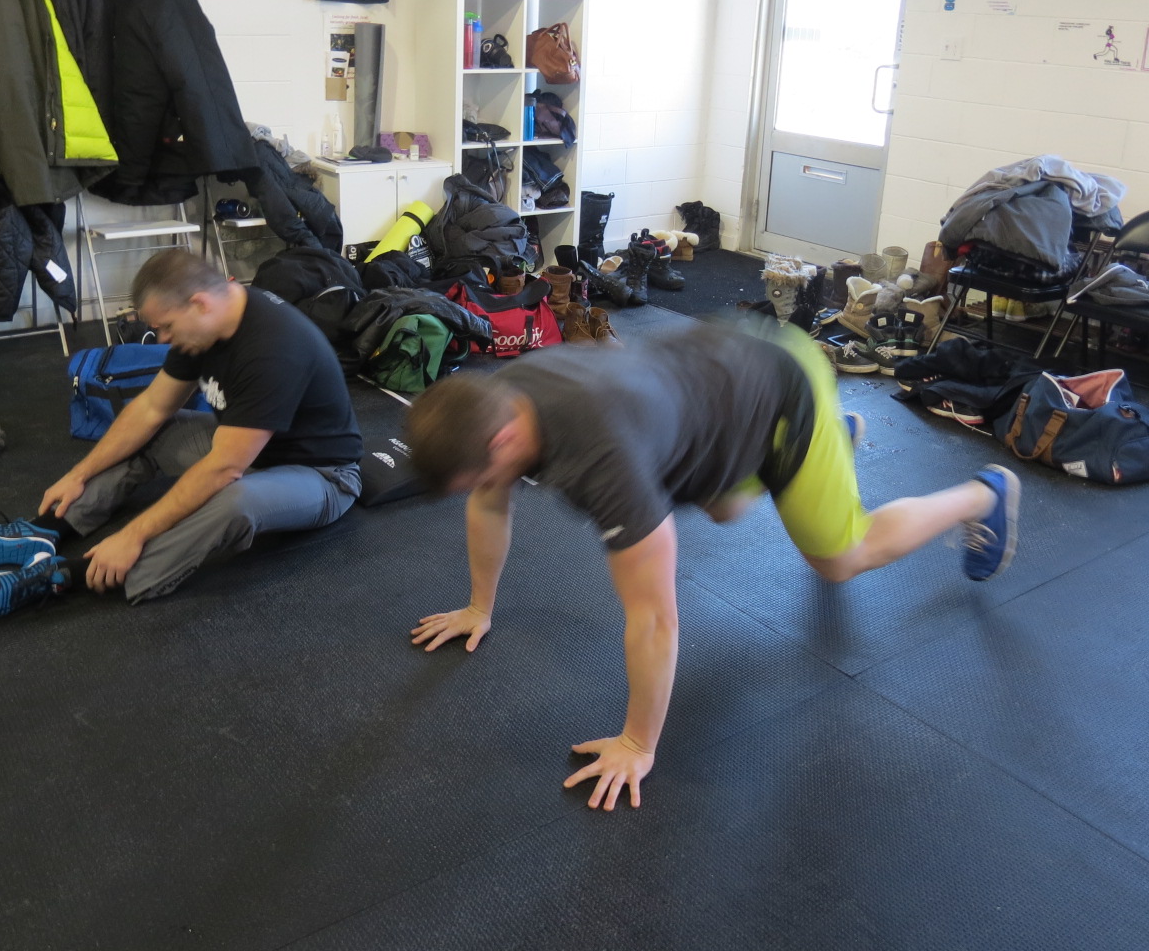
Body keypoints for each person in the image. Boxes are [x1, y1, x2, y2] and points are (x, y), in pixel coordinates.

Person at [404, 315, 1020, 812]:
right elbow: (489, 500)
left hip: (782, 391)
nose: (481, 489)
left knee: (840, 559)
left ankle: (982, 494)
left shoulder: (601, 456)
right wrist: (478, 606)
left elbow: (655, 618)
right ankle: (829, 443)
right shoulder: (502, 399)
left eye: (478, 476)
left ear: (503, 440)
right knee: (724, 507)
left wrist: (637, 744)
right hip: (724, 363)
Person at [0, 249, 363, 616]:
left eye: (166, 326)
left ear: (199, 303)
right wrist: (78, 474)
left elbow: (223, 469)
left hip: (321, 476)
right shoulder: (206, 325)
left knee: (237, 500)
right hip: (248, 448)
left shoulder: (273, 349)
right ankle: (47, 530)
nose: (162, 338)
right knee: (157, 428)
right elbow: (150, 409)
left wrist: (132, 535)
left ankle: (71, 576)